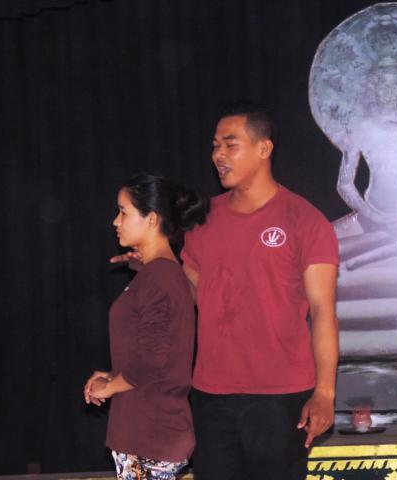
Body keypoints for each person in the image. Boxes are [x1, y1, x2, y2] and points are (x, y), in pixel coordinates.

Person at [181, 104, 339, 480]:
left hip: (281, 396)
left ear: (263, 148)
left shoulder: (304, 220)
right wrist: (155, 267)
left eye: (230, 144)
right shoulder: (202, 220)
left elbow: (323, 311)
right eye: (215, 146)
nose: (218, 155)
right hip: (211, 393)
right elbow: (195, 295)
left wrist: (325, 393)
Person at [85, 174, 209, 480]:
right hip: (147, 432)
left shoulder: (160, 278)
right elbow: (155, 357)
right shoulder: (156, 275)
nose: (116, 221)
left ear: (151, 219)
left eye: (123, 212)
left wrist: (109, 387)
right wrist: (113, 376)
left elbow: (152, 361)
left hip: (151, 435)